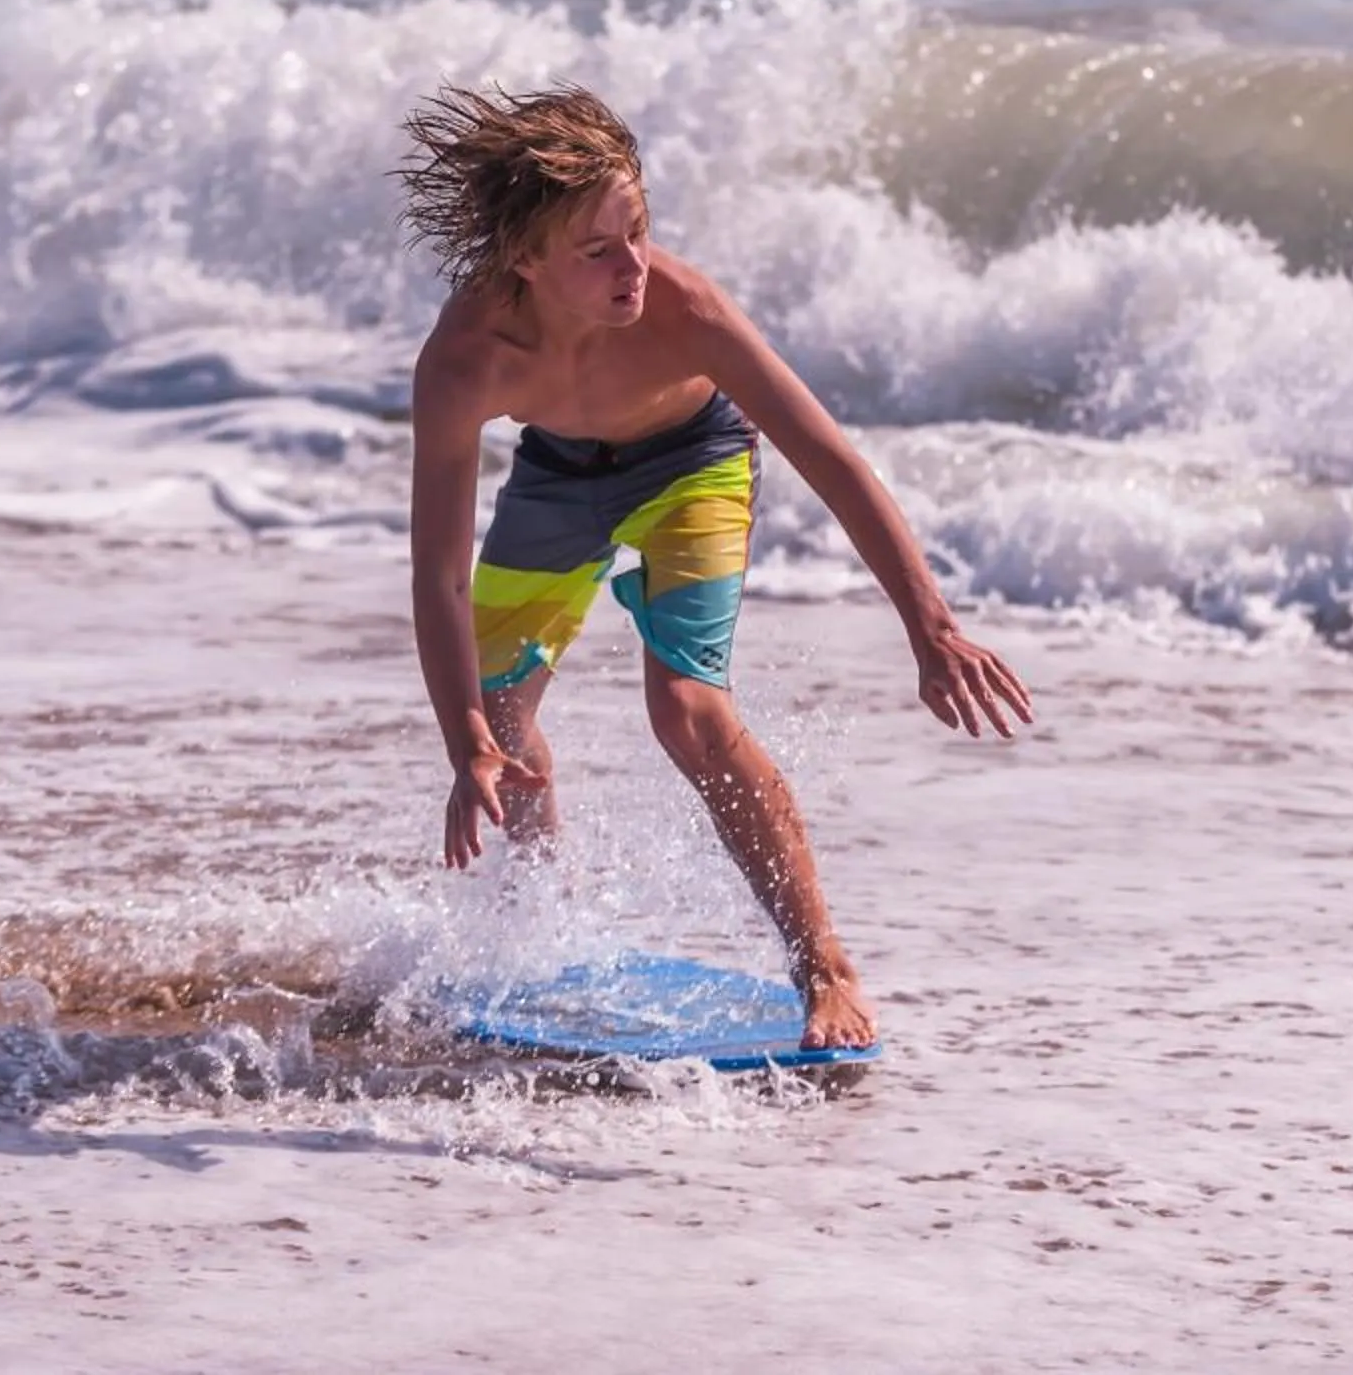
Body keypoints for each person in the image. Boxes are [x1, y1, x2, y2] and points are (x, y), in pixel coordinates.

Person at [397, 83, 1034, 1051]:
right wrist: (465, 740)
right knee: (504, 711)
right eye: (599, 249)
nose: (634, 265)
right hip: (559, 470)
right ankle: (544, 923)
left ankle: (824, 964)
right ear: (523, 261)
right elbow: (438, 574)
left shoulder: (685, 312)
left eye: (640, 230)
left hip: (693, 460)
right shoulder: (465, 362)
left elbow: (833, 458)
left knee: (687, 709)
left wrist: (931, 624)